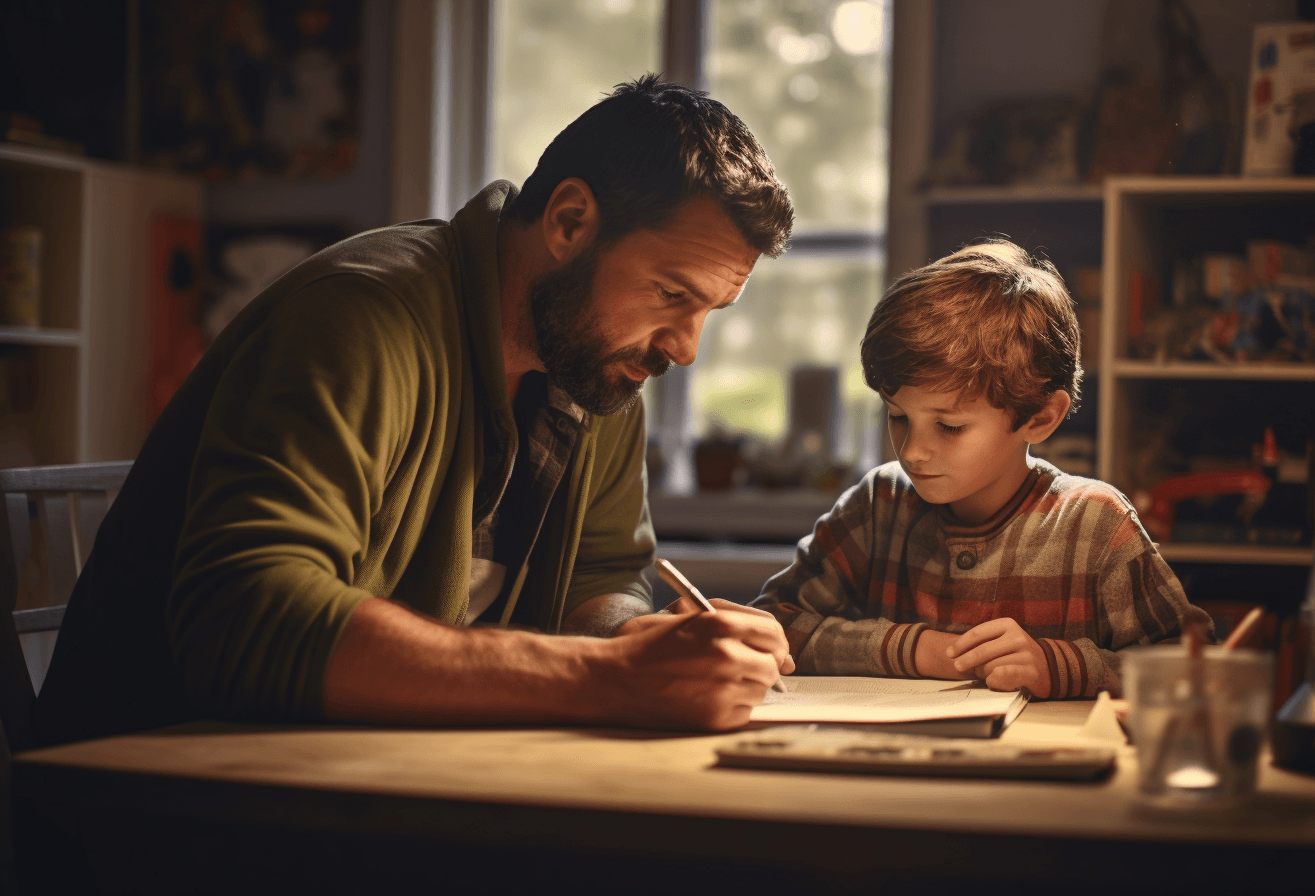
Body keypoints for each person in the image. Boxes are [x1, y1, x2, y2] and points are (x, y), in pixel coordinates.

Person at [36, 75, 796, 746]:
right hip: (162, 791)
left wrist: (638, 640)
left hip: (370, 770)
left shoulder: (598, 367)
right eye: (672, 294)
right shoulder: (358, 317)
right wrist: (608, 675)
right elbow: (245, 617)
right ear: (569, 223)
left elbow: (601, 573)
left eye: (710, 310)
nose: (687, 348)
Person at [752, 241, 1210, 699]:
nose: (912, 452)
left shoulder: (1095, 524)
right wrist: (911, 649)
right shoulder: (879, 502)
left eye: (949, 426)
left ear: (1040, 417)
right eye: (897, 416)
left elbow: (1193, 668)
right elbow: (772, 627)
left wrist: (1062, 666)